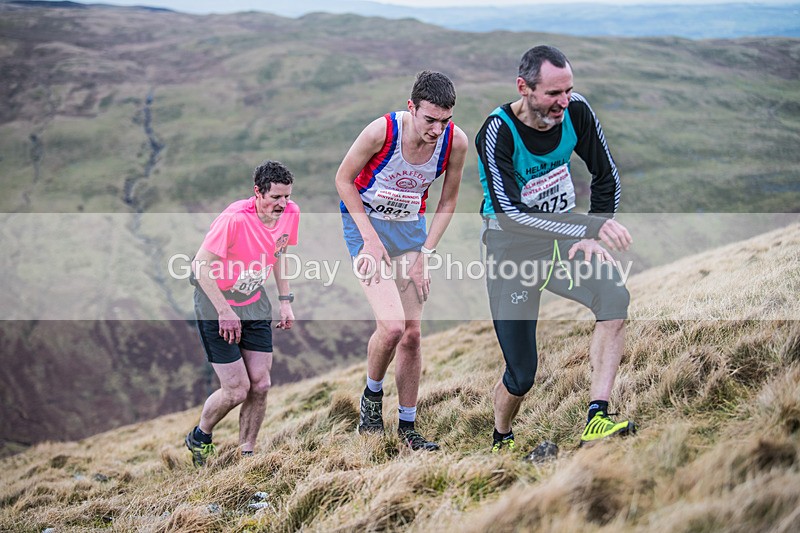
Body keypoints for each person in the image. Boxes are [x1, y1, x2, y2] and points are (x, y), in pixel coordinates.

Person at [475, 45, 636, 453]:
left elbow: (606, 174)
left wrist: (587, 235)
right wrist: (591, 224)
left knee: (614, 297)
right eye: (553, 94)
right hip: (511, 252)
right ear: (523, 88)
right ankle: (502, 438)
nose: (563, 102)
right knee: (522, 374)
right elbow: (511, 215)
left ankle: (597, 417)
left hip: (564, 241)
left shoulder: (576, 111)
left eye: (568, 90)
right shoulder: (497, 132)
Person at [335, 70, 468, 451]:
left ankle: (408, 427)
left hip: (410, 231)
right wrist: (370, 240)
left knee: (412, 333)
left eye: (445, 120)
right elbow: (343, 180)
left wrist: (425, 255)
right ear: (412, 107)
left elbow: (447, 202)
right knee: (391, 327)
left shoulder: (454, 143)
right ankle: (371, 399)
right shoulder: (382, 131)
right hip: (366, 227)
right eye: (430, 120)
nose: (437, 129)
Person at [184, 160, 299, 467]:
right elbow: (199, 266)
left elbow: (279, 253)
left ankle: (246, 455)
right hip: (216, 303)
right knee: (236, 390)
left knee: (260, 385)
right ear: (257, 192)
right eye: (275, 197)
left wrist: (285, 300)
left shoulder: (291, 214)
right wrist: (225, 311)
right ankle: (201, 434)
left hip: (253, 301)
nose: (282, 204)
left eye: (287, 196)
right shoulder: (234, 218)